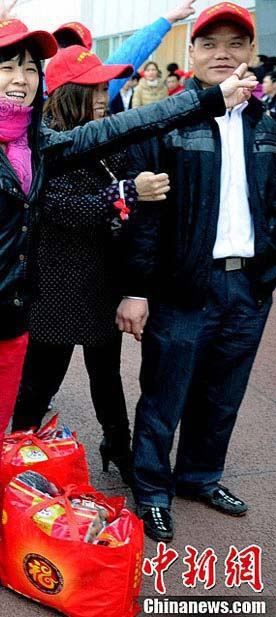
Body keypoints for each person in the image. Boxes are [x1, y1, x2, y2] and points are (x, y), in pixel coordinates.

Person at [0, 17, 253, 602]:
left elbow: (128, 122)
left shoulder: (39, 143)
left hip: (9, 324)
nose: (22, 77)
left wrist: (209, 99)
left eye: (31, 67)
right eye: (8, 64)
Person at [119, 2, 274, 543]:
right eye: (210, 43)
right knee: (165, 393)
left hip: (247, 286)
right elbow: (143, 214)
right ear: (191, 52)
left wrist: (267, 272)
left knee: (222, 394)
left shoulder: (265, 124)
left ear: (250, 54)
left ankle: (200, 478)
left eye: (235, 43)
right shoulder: (169, 117)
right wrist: (136, 289)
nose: (222, 53)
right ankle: (153, 490)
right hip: (183, 284)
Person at [8, 46, 167, 488]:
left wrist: (124, 200)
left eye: (104, 86)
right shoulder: (41, 141)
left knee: (107, 378)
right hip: (54, 286)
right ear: (66, 93)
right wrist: (126, 195)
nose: (103, 94)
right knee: (39, 382)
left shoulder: (108, 137)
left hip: (101, 280)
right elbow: (59, 206)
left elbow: (114, 210)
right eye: (93, 87)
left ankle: (118, 447)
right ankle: (15, 452)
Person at [50, 0, 197, 103]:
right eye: (61, 44)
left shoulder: (100, 83)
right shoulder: (34, 87)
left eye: (74, 47)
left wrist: (168, 19)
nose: (65, 53)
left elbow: (131, 51)